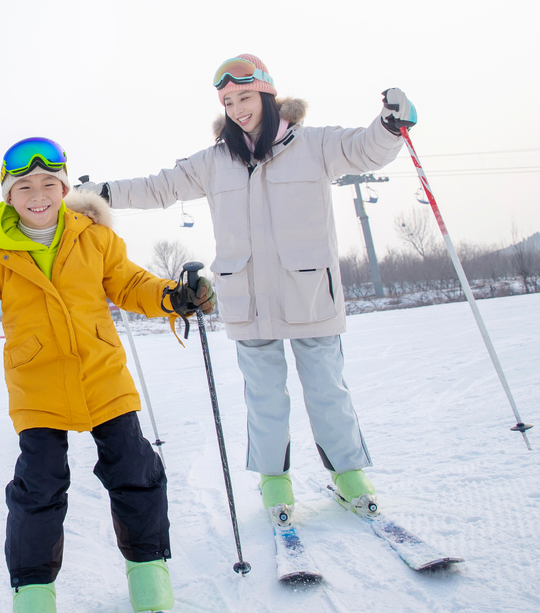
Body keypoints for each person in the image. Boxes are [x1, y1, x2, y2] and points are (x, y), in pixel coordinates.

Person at [77, 54, 417, 527]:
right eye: (229, 101)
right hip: (248, 299)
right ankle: (274, 479)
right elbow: (161, 187)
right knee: (264, 395)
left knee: (327, 390)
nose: (238, 108)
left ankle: (349, 473)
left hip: (309, 293)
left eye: (245, 97)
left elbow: (366, 149)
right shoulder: (215, 161)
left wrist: (389, 124)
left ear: (267, 94)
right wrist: (104, 193)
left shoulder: (315, 145)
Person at [0, 137, 214, 613]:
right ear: (8, 196)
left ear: (64, 187)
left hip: (101, 371)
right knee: (39, 484)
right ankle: (33, 593)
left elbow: (132, 284)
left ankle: (148, 573)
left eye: (49, 183)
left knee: (134, 468)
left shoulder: (93, 236)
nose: (38, 195)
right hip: (38, 382)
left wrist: (174, 296)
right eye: (24, 186)